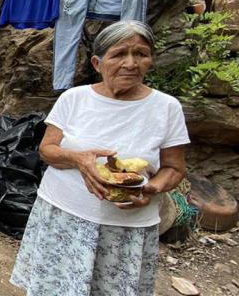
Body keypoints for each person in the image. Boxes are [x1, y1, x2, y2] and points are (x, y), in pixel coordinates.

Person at [10, 20, 189, 296]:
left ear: (150, 60)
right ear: (97, 62)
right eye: (119, 54)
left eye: (140, 54)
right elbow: (47, 150)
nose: (130, 63)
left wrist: (151, 188)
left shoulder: (166, 108)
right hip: (62, 216)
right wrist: (78, 159)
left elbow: (174, 168)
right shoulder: (74, 98)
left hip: (125, 230)